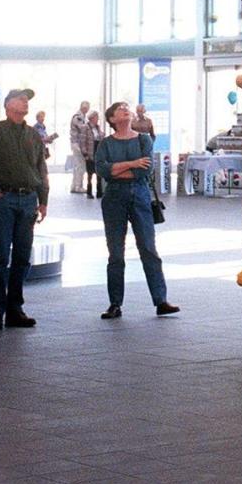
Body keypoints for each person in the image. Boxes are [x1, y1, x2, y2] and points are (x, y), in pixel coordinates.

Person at [94, 101, 178, 321]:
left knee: (148, 248)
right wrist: (132, 163)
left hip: (139, 196)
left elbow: (146, 170)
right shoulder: (106, 144)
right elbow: (102, 170)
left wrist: (117, 168)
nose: (126, 109)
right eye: (120, 108)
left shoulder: (144, 139)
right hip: (113, 198)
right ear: (112, 119)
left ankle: (161, 300)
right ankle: (115, 303)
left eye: (126, 107)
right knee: (115, 252)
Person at [0, 87, 48, 331]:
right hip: (4, 200)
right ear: (8, 105)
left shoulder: (33, 135)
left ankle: (15, 309)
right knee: (0, 257)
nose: (25, 103)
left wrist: (43, 199)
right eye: (21, 99)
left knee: (21, 257)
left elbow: (41, 169)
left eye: (27, 100)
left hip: (28, 200)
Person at [69, 100, 91, 194]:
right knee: (81, 165)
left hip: (77, 143)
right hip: (77, 143)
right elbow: (82, 128)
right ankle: (79, 186)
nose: (86, 109)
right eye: (85, 108)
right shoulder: (78, 117)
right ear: (82, 107)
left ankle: (74, 186)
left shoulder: (82, 117)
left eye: (87, 108)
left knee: (77, 165)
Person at [84, 110, 104, 200]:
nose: (97, 119)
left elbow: (101, 137)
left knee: (99, 172)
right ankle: (89, 191)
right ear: (92, 118)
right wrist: (85, 153)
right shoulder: (85, 127)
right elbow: (82, 141)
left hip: (98, 151)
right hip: (90, 152)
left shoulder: (98, 127)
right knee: (90, 173)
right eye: (96, 117)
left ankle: (99, 191)